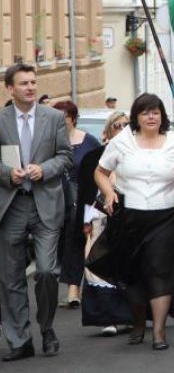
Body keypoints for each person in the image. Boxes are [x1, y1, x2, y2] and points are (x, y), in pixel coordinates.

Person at [95, 93, 174, 349]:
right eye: (145, 112)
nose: (151, 117)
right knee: (133, 272)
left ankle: (159, 332)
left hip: (165, 215)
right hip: (129, 217)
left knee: (160, 270)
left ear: (162, 116)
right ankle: (137, 322)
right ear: (136, 116)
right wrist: (110, 192)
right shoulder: (122, 141)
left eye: (155, 112)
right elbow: (100, 172)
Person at [0, 64, 72, 361]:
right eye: (24, 83)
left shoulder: (53, 118)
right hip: (11, 205)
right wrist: (7, 173)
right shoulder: (1, 120)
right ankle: (19, 339)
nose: (30, 87)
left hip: (45, 203)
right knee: (10, 277)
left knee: (45, 271)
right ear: (10, 88)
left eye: (33, 82)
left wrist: (45, 169)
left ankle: (47, 328)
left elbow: (66, 157)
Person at [78, 111, 133, 336]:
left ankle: (128, 316)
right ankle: (106, 318)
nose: (122, 129)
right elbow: (86, 192)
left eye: (126, 125)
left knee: (127, 267)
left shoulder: (137, 153)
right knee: (98, 269)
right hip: (100, 220)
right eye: (117, 126)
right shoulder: (95, 157)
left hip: (129, 221)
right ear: (109, 131)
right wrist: (86, 221)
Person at [52, 101, 101, 309]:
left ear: (72, 118)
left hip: (84, 198)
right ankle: (73, 286)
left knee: (78, 240)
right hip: (57, 199)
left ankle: (75, 289)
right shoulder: (50, 143)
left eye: (63, 117)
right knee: (64, 243)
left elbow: (100, 168)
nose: (60, 122)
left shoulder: (89, 142)